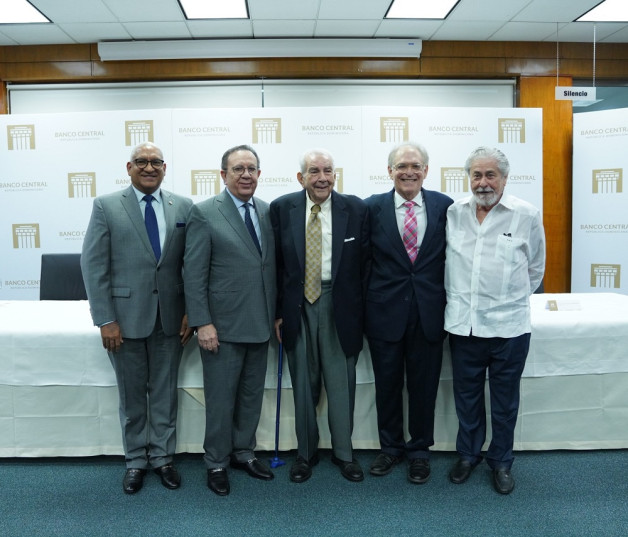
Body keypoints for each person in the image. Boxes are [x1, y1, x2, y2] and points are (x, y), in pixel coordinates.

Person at [81, 142, 193, 494]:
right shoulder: (107, 206)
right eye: (141, 162)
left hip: (171, 320)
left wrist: (192, 310)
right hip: (124, 320)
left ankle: (162, 459)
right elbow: (94, 265)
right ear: (128, 168)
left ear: (164, 167)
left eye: (155, 162)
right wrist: (104, 319)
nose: (149, 167)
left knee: (164, 394)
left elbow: (191, 265)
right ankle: (135, 461)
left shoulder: (183, 207)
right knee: (132, 397)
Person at [445, 146, 545, 495]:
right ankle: (468, 455)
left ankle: (501, 461)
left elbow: (535, 269)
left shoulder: (526, 215)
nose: (483, 182)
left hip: (510, 328)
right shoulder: (454, 212)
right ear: (468, 177)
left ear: (504, 178)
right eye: (476, 174)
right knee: (467, 398)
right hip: (464, 325)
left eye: (490, 175)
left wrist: (507, 301)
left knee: (504, 402)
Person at [270, 148, 370, 483]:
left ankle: (345, 453)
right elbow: (276, 267)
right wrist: (278, 313)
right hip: (297, 307)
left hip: (339, 304)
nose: (322, 177)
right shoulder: (283, 208)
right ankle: (305, 454)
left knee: (342, 384)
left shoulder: (355, 208)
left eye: (328, 170)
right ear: (301, 177)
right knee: (302, 382)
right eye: (314, 171)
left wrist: (362, 313)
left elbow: (366, 267)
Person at [183, 144, 276, 497]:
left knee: (251, 397)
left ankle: (244, 453)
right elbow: (193, 274)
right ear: (223, 175)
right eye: (238, 169)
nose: (246, 175)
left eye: (252, 168)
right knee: (221, 400)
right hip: (220, 328)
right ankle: (217, 461)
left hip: (261, 322)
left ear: (259, 174)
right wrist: (202, 322)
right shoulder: (205, 212)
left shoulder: (268, 212)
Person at [364, 142, 453, 484]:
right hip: (384, 313)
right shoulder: (372, 208)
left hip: (429, 313)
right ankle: (390, 448)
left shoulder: (445, 206)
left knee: (423, 387)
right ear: (390, 171)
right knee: (386, 385)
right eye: (401, 166)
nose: (409, 172)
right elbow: (363, 263)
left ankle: (419, 451)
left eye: (416, 166)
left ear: (426, 171)